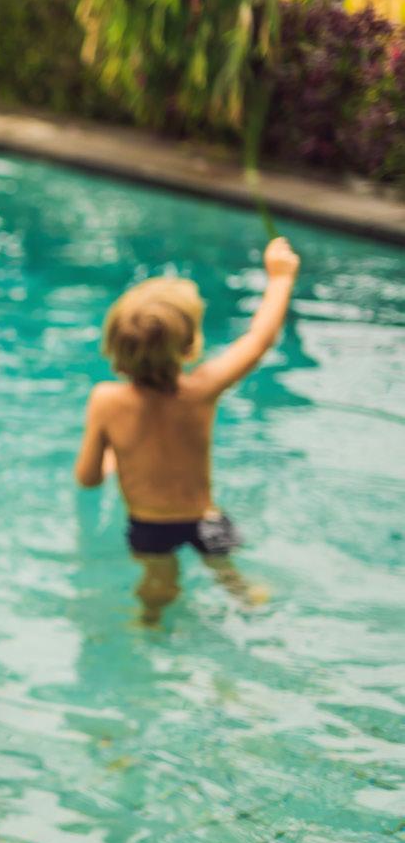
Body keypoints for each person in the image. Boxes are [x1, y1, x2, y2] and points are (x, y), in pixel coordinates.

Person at [74, 237, 301, 624]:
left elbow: (88, 477)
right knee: (231, 577)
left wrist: (112, 456)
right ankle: (250, 601)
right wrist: (280, 278)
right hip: (205, 519)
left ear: (113, 345)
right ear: (190, 346)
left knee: (157, 586)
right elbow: (259, 340)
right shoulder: (202, 390)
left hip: (150, 526)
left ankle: (149, 623)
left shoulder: (106, 401)